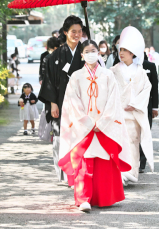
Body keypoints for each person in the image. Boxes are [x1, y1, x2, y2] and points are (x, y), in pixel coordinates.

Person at [58, 40, 132, 211]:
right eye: (87, 51)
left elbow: (114, 101)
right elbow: (72, 102)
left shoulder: (108, 75)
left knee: (103, 161)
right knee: (84, 161)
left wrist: (103, 122)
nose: (91, 53)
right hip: (83, 127)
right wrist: (88, 123)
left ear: (99, 54)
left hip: (103, 126)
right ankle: (83, 199)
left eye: (94, 50)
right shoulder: (76, 76)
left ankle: (103, 197)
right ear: (82, 55)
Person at [38, 15, 85, 182]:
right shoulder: (55, 56)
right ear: (65, 32)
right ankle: (64, 173)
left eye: (80, 31)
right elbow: (48, 80)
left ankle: (79, 173)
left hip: (82, 104)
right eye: (73, 31)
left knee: (80, 137)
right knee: (60, 136)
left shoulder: (85, 52)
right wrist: (52, 103)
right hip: (60, 101)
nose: (77, 35)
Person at [111, 26, 154, 185]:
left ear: (132, 53)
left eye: (125, 50)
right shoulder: (113, 70)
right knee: (119, 143)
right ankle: (120, 172)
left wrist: (135, 104)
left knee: (133, 142)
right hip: (117, 113)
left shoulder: (141, 71)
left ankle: (131, 172)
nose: (121, 52)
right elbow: (108, 90)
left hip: (134, 113)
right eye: (120, 49)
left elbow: (147, 89)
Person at [139, 52, 159, 173]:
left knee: (145, 132)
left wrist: (155, 107)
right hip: (129, 106)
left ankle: (142, 163)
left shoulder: (150, 66)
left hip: (147, 105)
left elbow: (155, 88)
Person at [38, 37, 60, 142]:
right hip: (53, 87)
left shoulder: (48, 57)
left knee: (50, 111)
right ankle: (53, 133)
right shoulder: (50, 57)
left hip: (48, 87)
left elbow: (43, 72)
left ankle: (52, 133)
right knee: (52, 111)